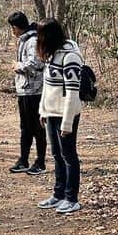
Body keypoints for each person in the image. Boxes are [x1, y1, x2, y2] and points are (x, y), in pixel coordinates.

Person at [35, 18, 83, 214]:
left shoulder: (70, 57)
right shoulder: (52, 55)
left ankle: (72, 198)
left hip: (66, 115)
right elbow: (47, 87)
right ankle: (58, 194)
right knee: (56, 155)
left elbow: (72, 93)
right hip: (51, 113)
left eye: (41, 35)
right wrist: (43, 110)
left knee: (69, 156)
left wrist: (67, 122)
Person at [7, 11, 46, 174]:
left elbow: (36, 63)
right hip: (25, 91)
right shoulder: (25, 40)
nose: (12, 32)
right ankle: (23, 160)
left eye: (12, 28)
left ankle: (40, 162)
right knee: (25, 128)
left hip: (34, 91)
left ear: (17, 27)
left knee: (37, 128)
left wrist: (18, 66)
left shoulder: (32, 41)